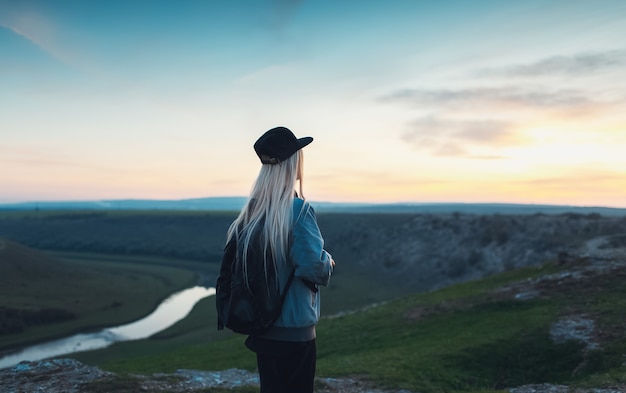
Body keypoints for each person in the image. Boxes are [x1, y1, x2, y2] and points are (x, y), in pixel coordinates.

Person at [224, 126, 335, 393]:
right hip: (296, 331)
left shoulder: (251, 213)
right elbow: (312, 267)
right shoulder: (299, 210)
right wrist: (329, 261)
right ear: (292, 164)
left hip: (263, 327)